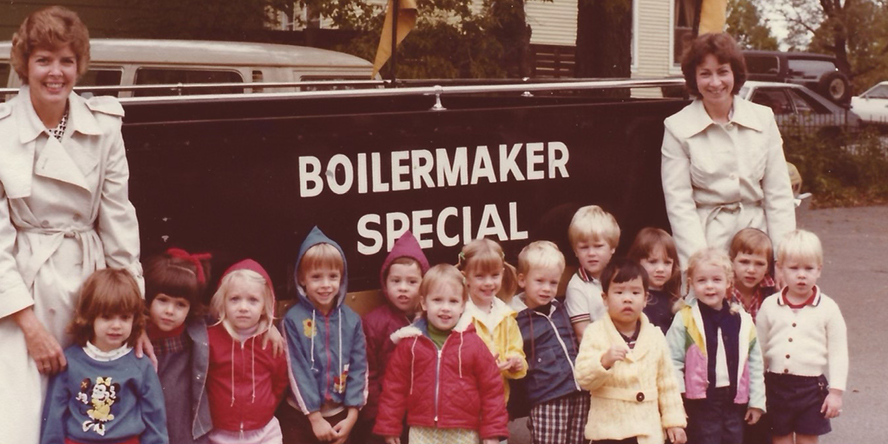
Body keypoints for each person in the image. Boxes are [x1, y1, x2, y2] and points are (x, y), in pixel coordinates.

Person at [0, 7, 143, 443]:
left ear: (79, 64)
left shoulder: (103, 126)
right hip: (23, 296)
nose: (55, 72)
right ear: (24, 64)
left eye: (66, 60)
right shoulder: (2, 132)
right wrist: (28, 324)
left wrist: (133, 318)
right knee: (21, 420)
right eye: (43, 59)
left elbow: (119, 220)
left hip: (90, 288)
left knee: (93, 418)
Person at [660, 32, 795, 272]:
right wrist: (700, 263)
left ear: (735, 74)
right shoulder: (677, 127)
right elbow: (679, 205)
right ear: (694, 77)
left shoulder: (762, 118)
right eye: (705, 73)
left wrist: (783, 261)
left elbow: (779, 195)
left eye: (722, 71)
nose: (715, 82)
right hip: (707, 240)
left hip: (758, 241)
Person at [374, 264, 509, 444]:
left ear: (463, 305)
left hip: (464, 431)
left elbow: (491, 390)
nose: (445, 308)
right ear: (424, 303)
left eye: (453, 301)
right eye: (437, 300)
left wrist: (491, 432)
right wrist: (389, 426)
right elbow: (394, 388)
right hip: (422, 430)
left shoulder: (473, 344)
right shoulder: (410, 343)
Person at [41, 269, 166, 444]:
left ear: (134, 319)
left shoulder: (140, 365)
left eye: (124, 317)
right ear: (90, 317)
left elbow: (155, 418)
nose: (116, 325)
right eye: (106, 317)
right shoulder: (70, 361)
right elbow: (54, 415)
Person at [573, 258, 686, 444]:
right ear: (605, 298)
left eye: (635, 292)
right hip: (609, 430)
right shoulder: (595, 333)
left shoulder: (655, 336)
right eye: (618, 292)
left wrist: (674, 422)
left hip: (647, 429)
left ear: (645, 299)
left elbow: (667, 383)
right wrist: (603, 362)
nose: (627, 298)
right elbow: (584, 379)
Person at [756, 230, 848, 444]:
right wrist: (756, 389)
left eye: (809, 268)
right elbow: (758, 350)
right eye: (794, 268)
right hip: (776, 386)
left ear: (819, 270)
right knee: (780, 438)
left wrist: (835, 393)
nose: (801, 275)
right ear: (780, 269)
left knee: (807, 439)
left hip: (811, 389)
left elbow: (838, 353)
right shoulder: (770, 305)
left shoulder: (828, 308)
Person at [665, 248, 765, 444]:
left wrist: (757, 401)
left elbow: (754, 363)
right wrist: (678, 399)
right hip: (699, 401)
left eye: (716, 280)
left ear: (728, 282)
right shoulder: (685, 318)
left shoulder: (742, 320)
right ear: (691, 283)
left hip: (734, 399)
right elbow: (672, 360)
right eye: (702, 280)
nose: (709, 286)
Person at [280, 227, 367, 444]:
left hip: (341, 414)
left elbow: (359, 367)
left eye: (333, 276)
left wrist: (352, 414)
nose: (326, 285)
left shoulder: (351, 320)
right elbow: (297, 370)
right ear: (302, 279)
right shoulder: (293, 320)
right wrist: (314, 417)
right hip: (301, 414)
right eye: (316, 277)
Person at [509, 241, 588, 444]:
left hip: (579, 392)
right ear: (522, 280)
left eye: (553, 283)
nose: (547, 289)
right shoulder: (515, 317)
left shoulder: (559, 307)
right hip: (547, 397)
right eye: (540, 281)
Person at [205, 259, 289, 444]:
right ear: (223, 302)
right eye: (235, 299)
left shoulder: (270, 342)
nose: (243, 307)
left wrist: (266, 406)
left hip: (264, 432)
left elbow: (279, 381)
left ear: (265, 306)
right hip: (220, 433)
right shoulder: (210, 339)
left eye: (253, 300)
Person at [358, 231, 430, 444]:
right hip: (387, 412)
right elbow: (368, 373)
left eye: (412, 281)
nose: (403, 288)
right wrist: (379, 418)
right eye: (396, 281)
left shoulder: (431, 321)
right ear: (385, 283)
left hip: (423, 413)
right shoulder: (374, 322)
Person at [455, 238, 526, 402]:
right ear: (465, 277)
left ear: (502, 272)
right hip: (465, 400)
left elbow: (516, 349)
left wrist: (516, 363)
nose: (488, 283)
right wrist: (482, 368)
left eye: (495, 275)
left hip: (498, 400)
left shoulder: (506, 315)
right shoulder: (459, 315)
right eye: (479, 276)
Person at [564, 205, 620, 340]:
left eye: (598, 246)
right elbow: (583, 334)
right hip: (597, 350)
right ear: (575, 251)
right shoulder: (577, 287)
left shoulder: (621, 276)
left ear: (612, 247)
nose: (591, 253)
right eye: (584, 247)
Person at [627, 227, 683, 334]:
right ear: (637, 262)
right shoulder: (632, 297)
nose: (660, 269)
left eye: (667, 263)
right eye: (652, 262)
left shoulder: (674, 300)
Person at [728, 228, 778, 322]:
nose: (751, 270)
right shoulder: (724, 290)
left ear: (768, 267)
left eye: (759, 264)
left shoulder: (772, 291)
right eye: (744, 262)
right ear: (732, 262)